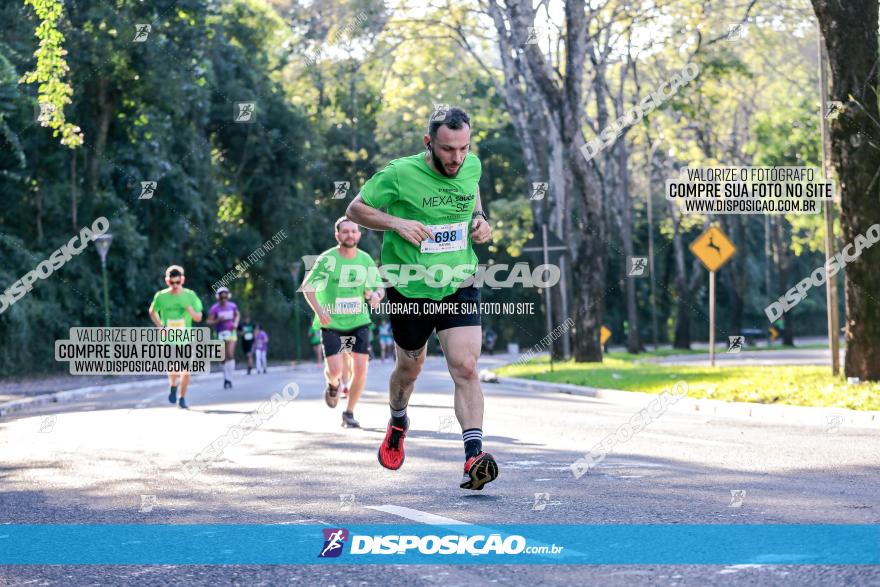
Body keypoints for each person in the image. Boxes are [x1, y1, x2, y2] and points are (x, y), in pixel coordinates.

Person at [346, 106, 498, 490]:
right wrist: (396, 222)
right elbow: (355, 208)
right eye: (448, 150)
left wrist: (480, 218)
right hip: (409, 287)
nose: (457, 158)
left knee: (465, 366)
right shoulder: (399, 173)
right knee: (409, 370)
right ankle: (398, 420)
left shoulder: (471, 165)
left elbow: (472, 188)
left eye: (463, 148)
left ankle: (473, 456)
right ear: (429, 143)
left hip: (458, 282)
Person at [300, 216, 384, 428]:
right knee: (336, 370)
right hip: (332, 322)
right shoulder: (327, 259)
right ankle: (333, 384)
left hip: (358, 321)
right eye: (345, 231)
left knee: (361, 368)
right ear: (337, 235)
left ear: (359, 235)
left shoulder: (365, 260)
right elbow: (308, 288)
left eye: (354, 231)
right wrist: (319, 311)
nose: (350, 235)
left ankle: (349, 412)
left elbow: (378, 288)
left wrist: (376, 296)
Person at [148, 265, 203, 409]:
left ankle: (182, 397)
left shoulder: (190, 296)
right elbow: (152, 312)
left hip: (186, 339)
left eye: (177, 282)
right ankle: (173, 386)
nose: (175, 286)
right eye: (172, 283)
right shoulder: (161, 296)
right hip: (168, 339)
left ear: (182, 280)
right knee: (173, 367)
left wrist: (189, 309)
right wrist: (160, 327)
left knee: (185, 370)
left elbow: (198, 318)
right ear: (167, 281)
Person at [207, 287, 240, 389]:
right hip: (219, 333)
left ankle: (230, 377)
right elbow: (208, 321)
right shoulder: (215, 308)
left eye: (225, 296)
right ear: (218, 298)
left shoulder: (232, 306)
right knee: (223, 357)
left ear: (228, 296)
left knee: (230, 354)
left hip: (231, 332)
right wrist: (217, 320)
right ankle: (226, 377)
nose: (223, 299)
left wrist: (235, 323)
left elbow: (237, 315)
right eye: (221, 297)